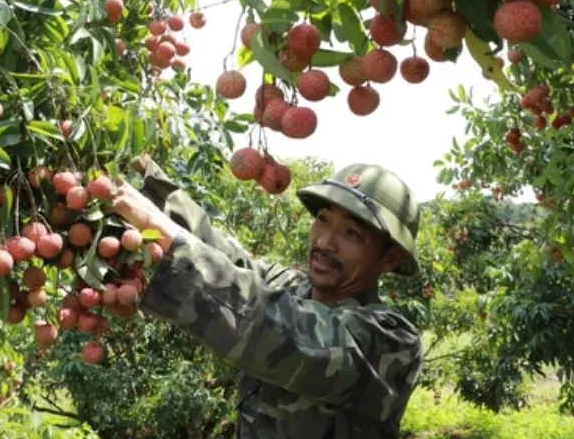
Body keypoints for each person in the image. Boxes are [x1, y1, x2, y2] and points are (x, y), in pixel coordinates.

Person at [109, 155, 424, 439]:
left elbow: (282, 331)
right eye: (323, 219)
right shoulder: (290, 287)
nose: (326, 241)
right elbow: (225, 257)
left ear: (390, 258)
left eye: (352, 233)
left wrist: (158, 227)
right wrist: (153, 184)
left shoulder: (390, 341)